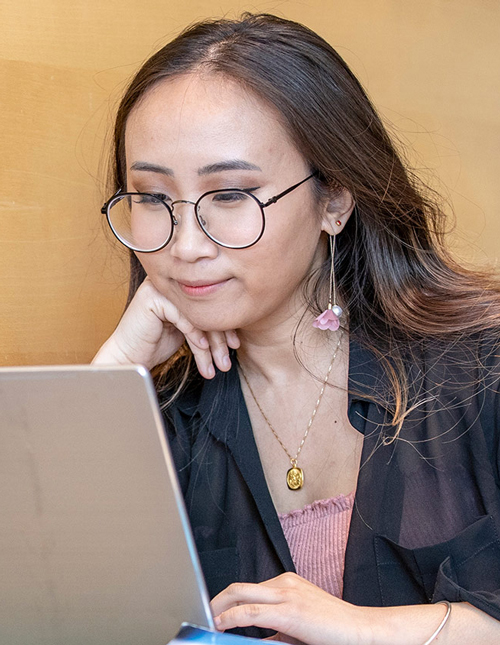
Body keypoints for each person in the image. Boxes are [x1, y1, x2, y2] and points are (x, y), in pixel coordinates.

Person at [93, 13, 500, 644]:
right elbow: (59, 612)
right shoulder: (161, 419)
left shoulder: (482, 368)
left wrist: (359, 632)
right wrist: (110, 383)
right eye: (151, 199)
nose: (186, 245)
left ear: (334, 199)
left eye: (229, 194)